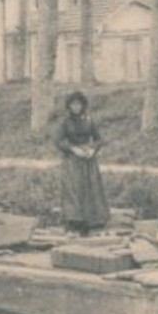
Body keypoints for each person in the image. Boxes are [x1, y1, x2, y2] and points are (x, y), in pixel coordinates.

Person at [55, 90, 109, 236]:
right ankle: (74, 224)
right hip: (72, 160)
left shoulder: (89, 120)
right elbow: (58, 141)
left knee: (91, 190)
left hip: (88, 160)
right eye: (73, 104)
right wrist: (73, 149)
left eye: (79, 104)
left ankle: (91, 223)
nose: (76, 107)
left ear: (83, 105)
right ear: (69, 106)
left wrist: (92, 150)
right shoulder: (64, 122)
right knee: (74, 191)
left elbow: (99, 139)